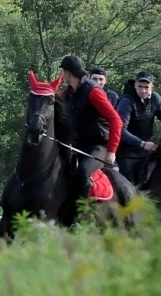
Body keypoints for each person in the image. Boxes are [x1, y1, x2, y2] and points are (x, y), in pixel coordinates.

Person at [56, 55, 131, 200]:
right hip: (77, 145)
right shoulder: (67, 94)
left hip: (98, 146)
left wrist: (111, 151)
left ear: (69, 73)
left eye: (63, 72)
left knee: (83, 173)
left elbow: (116, 120)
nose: (62, 75)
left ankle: (80, 214)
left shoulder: (93, 92)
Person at [114, 70, 161, 186]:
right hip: (127, 152)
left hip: (147, 151)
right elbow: (121, 131)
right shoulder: (126, 101)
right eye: (140, 86)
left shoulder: (155, 99)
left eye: (146, 87)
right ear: (135, 85)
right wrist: (142, 143)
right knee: (128, 186)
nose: (143, 90)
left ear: (152, 87)